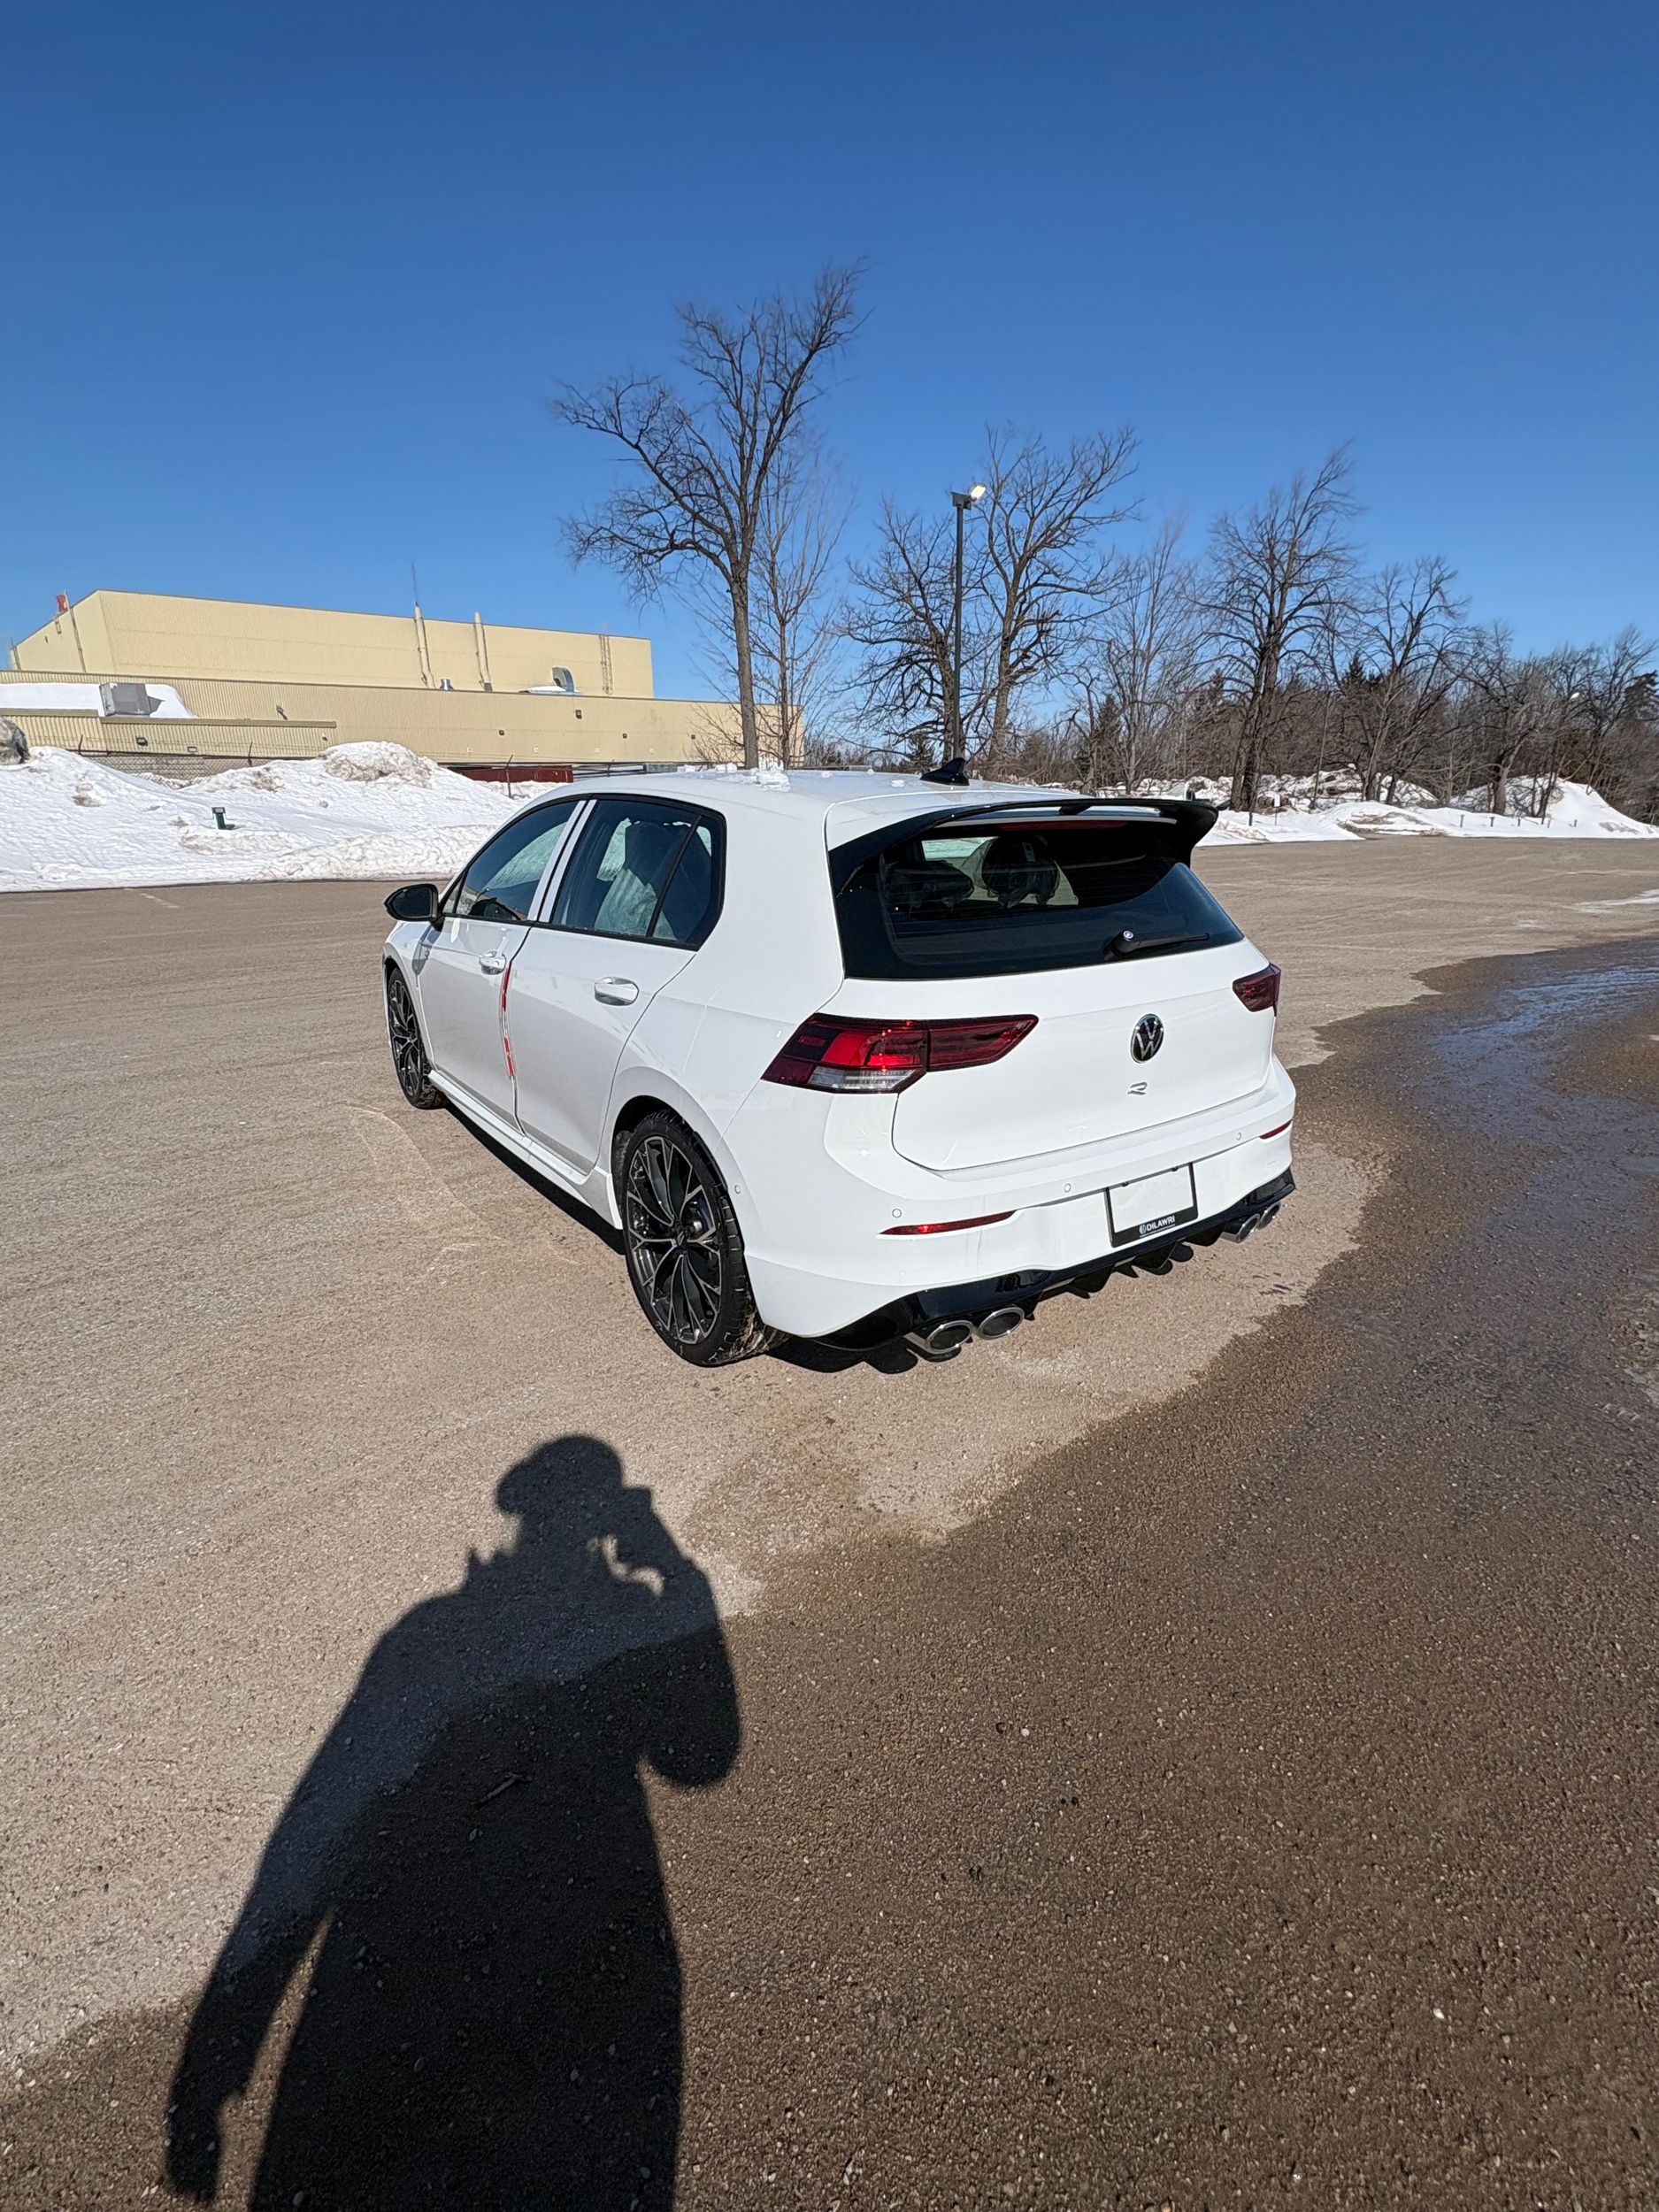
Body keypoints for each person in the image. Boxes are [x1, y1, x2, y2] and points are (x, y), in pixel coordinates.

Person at [166, 1436, 739, 2209]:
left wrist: (216, 2066)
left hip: (404, 1991)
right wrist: (673, 1568)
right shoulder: (566, 1621)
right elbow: (700, 1756)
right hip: (587, 1981)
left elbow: (313, 1833)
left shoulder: (428, 1635)